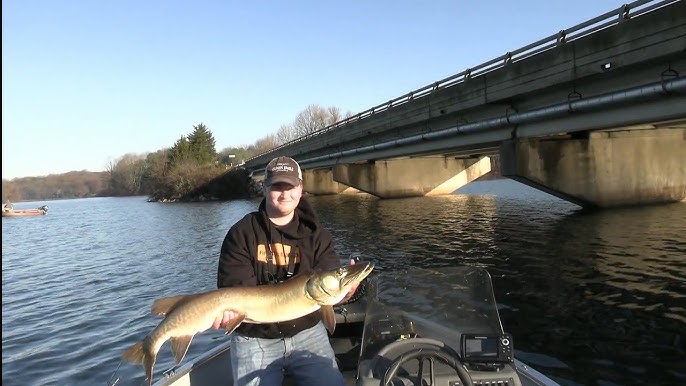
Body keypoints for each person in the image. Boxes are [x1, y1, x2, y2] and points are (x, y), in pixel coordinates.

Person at [214, 156, 357, 386]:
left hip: (307, 333)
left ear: (300, 189)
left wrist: (346, 292)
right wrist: (230, 314)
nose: (285, 193)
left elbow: (329, 282)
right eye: (277, 186)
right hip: (255, 337)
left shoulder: (317, 236)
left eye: (290, 186)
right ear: (265, 188)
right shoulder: (241, 234)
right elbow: (234, 288)